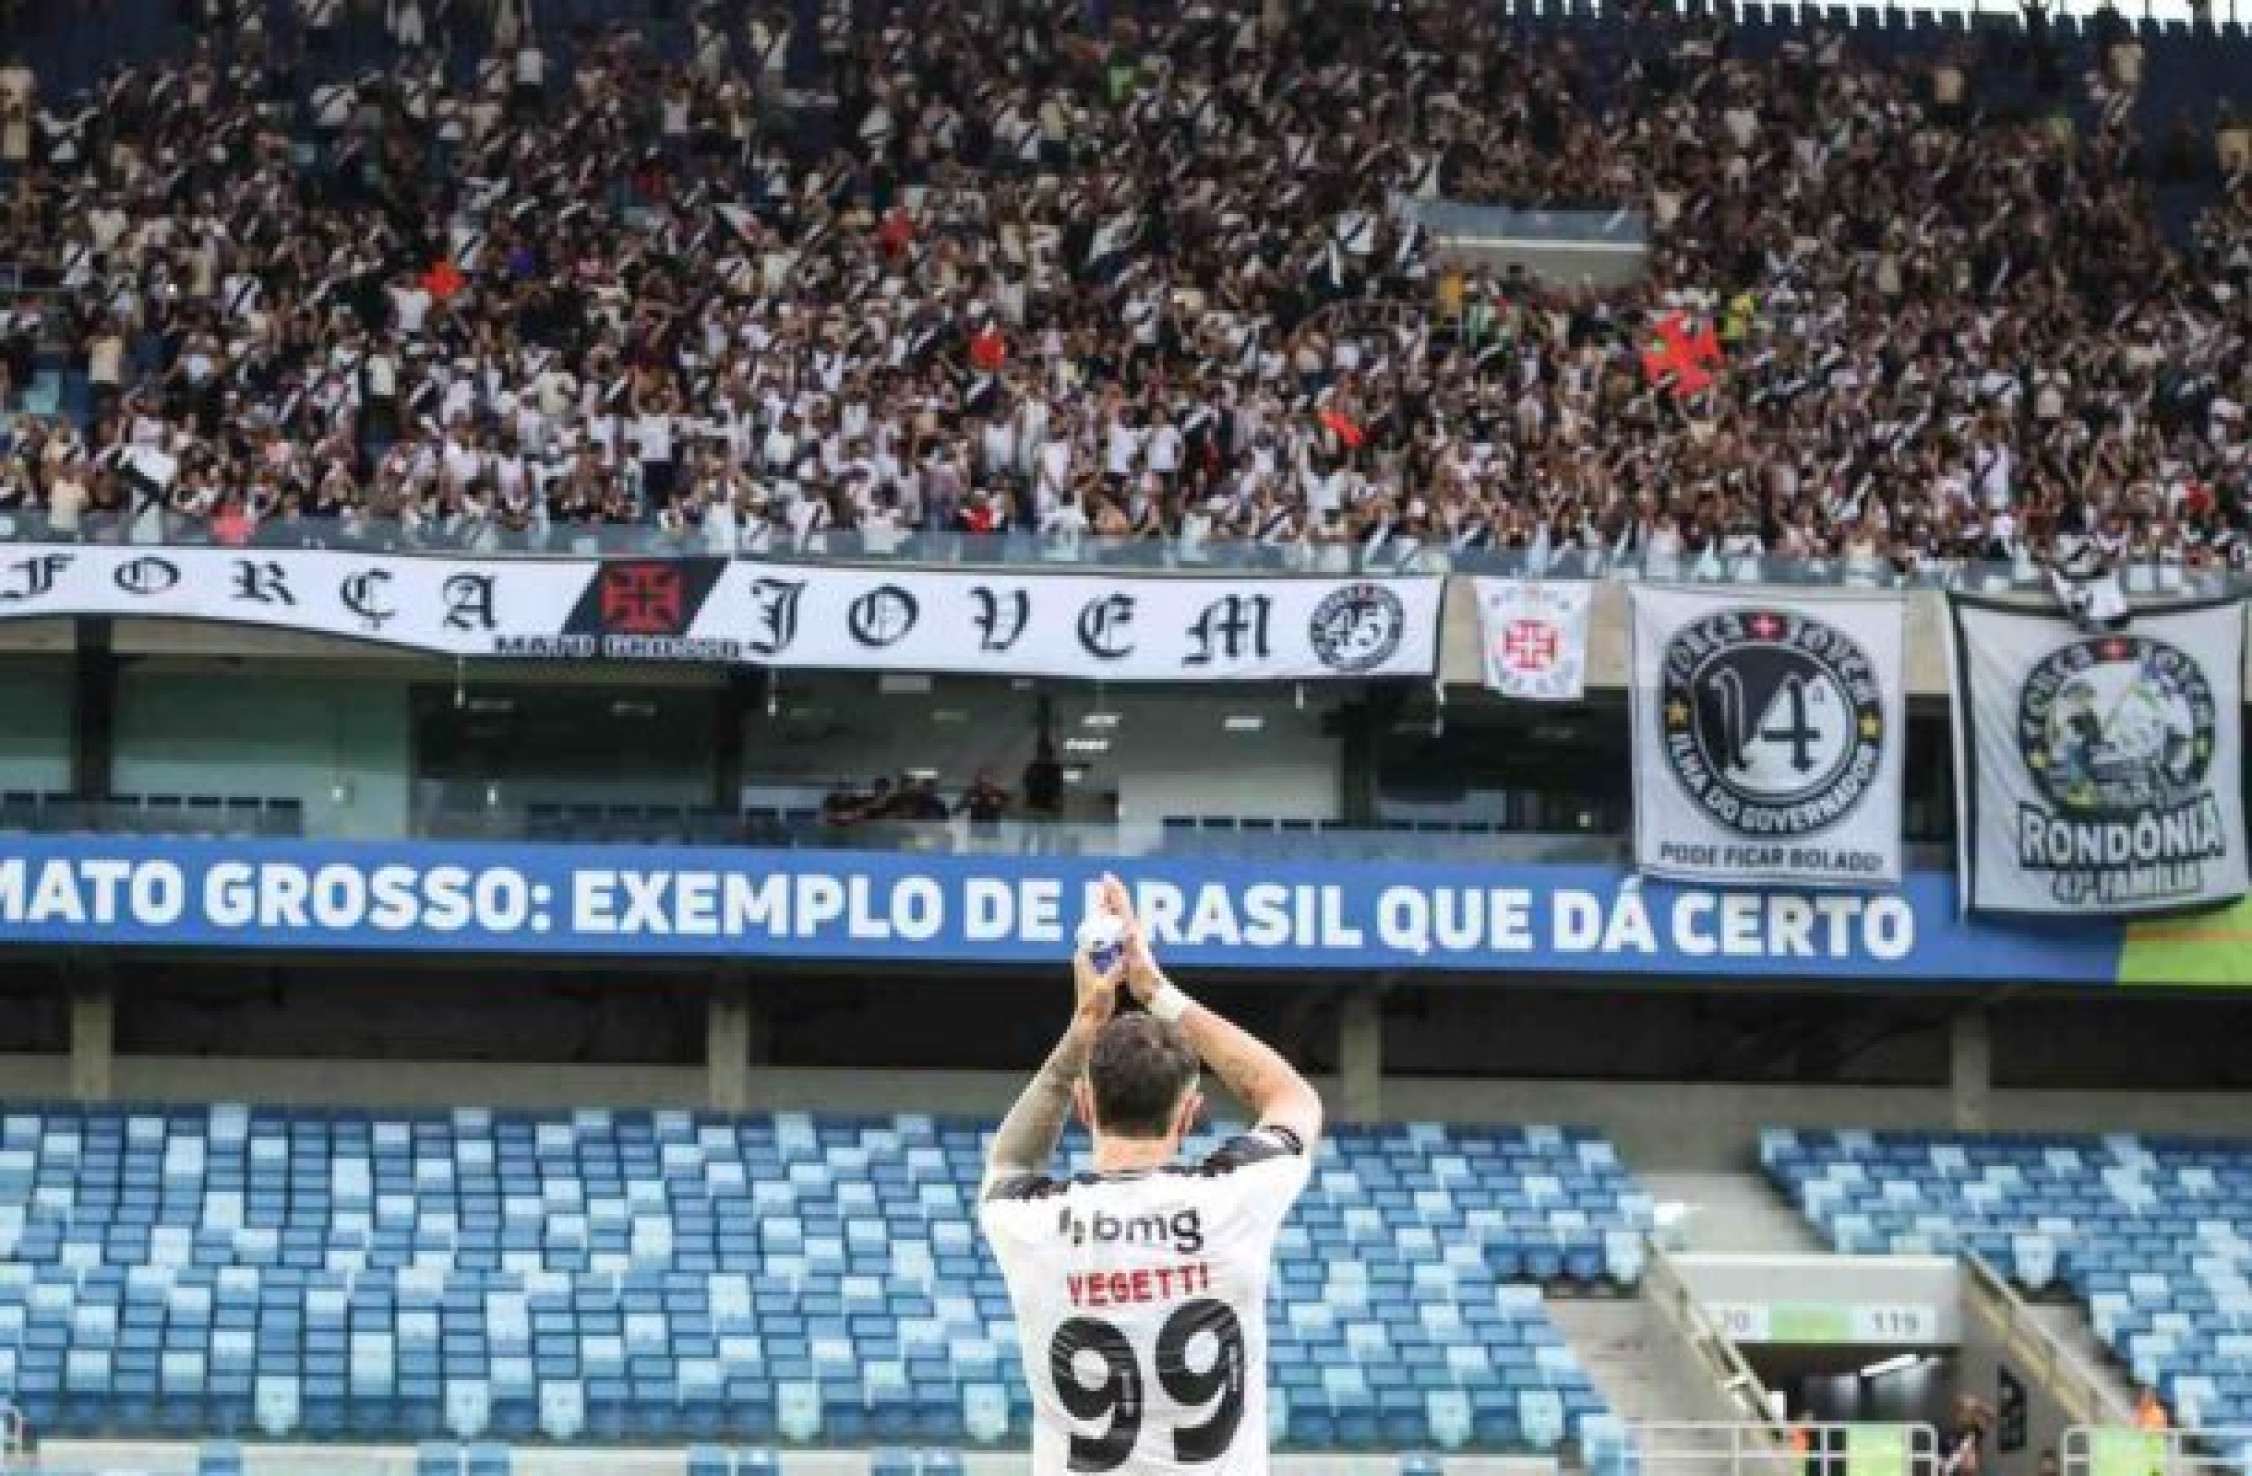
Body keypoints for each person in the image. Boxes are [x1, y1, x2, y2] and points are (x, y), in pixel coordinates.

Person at [978, 875, 1323, 1476]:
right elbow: (1292, 1099)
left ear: (1084, 1108)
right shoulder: (1233, 1201)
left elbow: (1010, 1162)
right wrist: (1156, 989)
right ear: (1190, 1116)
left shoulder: (1032, 1222)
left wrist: (1086, 1023)